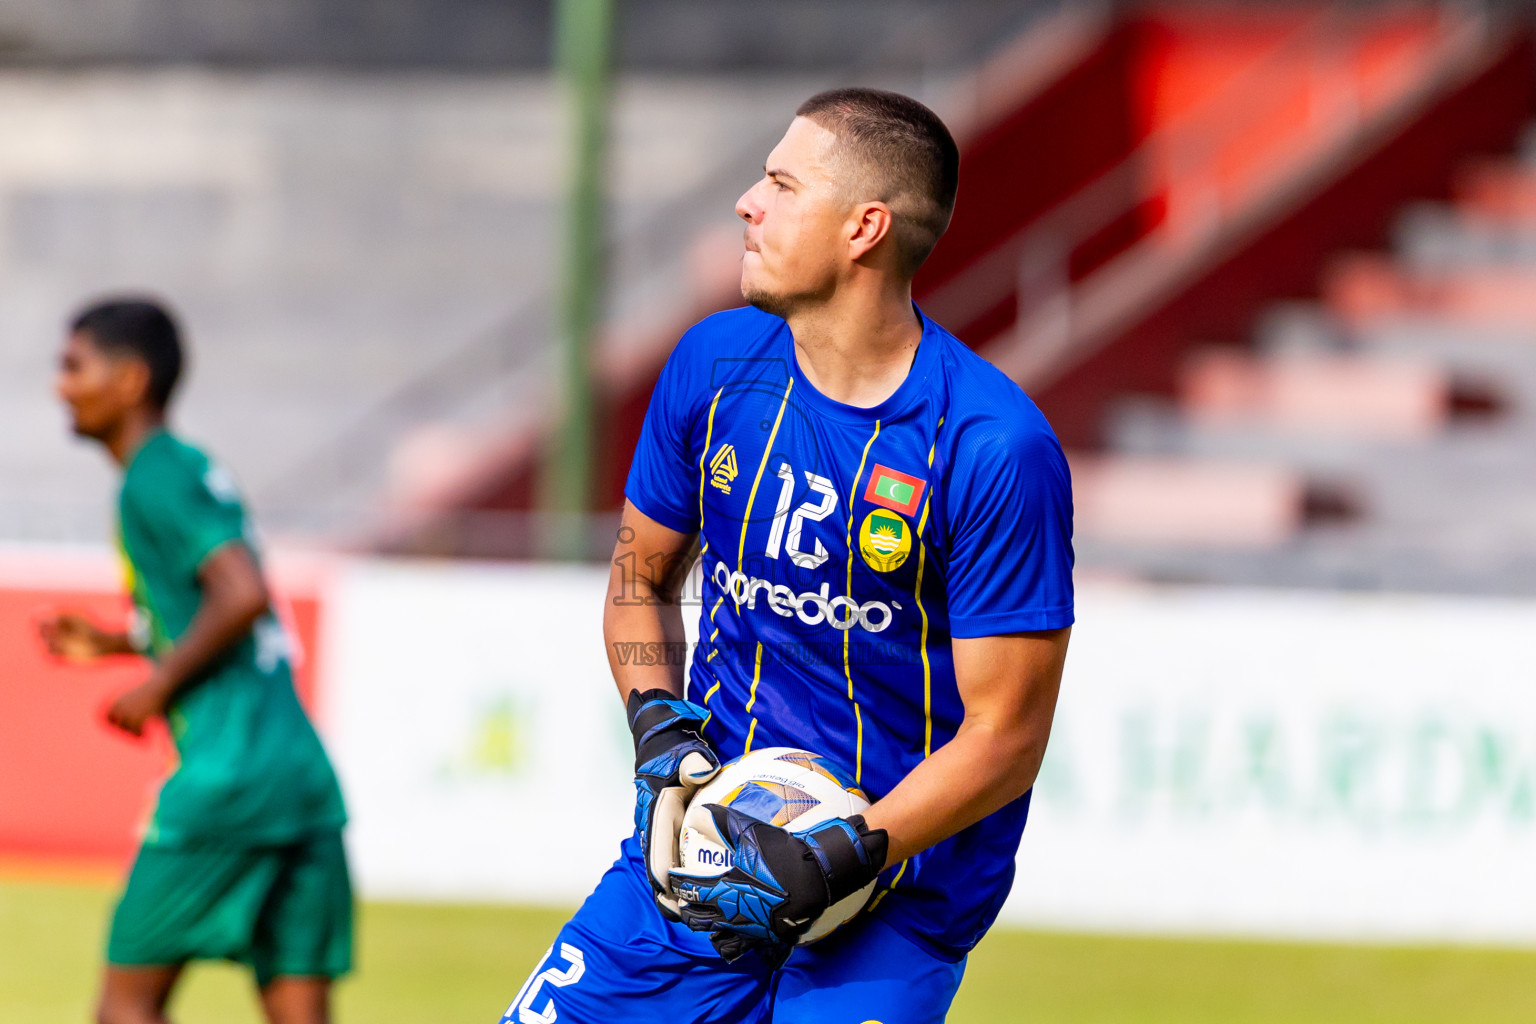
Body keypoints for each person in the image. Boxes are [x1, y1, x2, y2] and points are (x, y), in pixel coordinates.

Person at [499, 87, 1073, 1024]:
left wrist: (840, 853)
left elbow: (1006, 738)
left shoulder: (991, 445)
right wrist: (657, 725)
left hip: (893, 901)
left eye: (779, 183)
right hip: (702, 861)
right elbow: (639, 579)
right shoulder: (712, 365)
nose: (746, 203)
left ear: (864, 229)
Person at [39, 299, 352, 1024]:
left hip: (227, 777)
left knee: (124, 1008)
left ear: (129, 380)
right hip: (300, 777)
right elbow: (220, 605)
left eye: (74, 365)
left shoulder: (150, 477)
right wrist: (125, 641)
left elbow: (241, 594)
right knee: (298, 1011)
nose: (61, 384)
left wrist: (156, 685)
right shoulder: (193, 464)